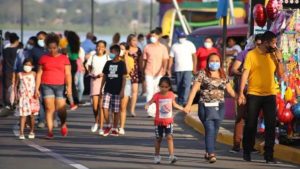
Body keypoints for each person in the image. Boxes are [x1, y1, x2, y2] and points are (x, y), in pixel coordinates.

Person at [238, 31, 284, 163]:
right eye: (273, 43)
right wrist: (241, 93)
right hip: (254, 94)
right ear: (265, 42)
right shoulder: (251, 55)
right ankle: (247, 150)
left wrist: (280, 59)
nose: (275, 45)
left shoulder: (274, 55)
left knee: (271, 125)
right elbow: (245, 74)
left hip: (270, 95)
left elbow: (280, 74)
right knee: (251, 124)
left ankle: (269, 155)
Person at [184, 53, 237, 163]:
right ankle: (211, 153)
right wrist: (188, 104)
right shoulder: (202, 74)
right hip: (205, 106)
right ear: (208, 62)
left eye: (217, 61)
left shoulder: (223, 74)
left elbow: (230, 90)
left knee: (215, 130)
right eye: (212, 61)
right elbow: (194, 89)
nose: (215, 63)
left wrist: (239, 97)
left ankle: (208, 151)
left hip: (220, 107)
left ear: (220, 62)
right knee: (210, 129)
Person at [35, 33, 72, 139]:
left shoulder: (64, 58)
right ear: (47, 47)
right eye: (50, 48)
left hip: (60, 86)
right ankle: (50, 131)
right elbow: (39, 73)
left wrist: (69, 87)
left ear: (58, 47)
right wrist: (36, 88)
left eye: (54, 48)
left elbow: (68, 74)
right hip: (46, 85)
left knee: (61, 109)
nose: (52, 50)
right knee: (48, 108)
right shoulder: (43, 58)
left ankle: (63, 123)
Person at [229, 34, 262, 153]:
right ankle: (236, 145)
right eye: (257, 44)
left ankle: (250, 145)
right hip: (243, 91)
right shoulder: (244, 54)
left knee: (253, 119)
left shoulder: (265, 55)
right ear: (253, 43)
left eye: (261, 44)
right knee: (241, 117)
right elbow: (234, 69)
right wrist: (244, 74)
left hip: (257, 91)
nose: (259, 46)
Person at [145, 77, 184, 164]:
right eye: (162, 86)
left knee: (169, 137)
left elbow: (174, 104)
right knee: (158, 138)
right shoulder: (157, 95)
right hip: (158, 121)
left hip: (168, 121)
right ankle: (157, 155)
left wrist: (182, 108)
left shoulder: (171, 95)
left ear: (169, 87)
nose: (164, 88)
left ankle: (171, 156)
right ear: (159, 86)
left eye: (166, 87)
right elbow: (150, 102)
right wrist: (147, 105)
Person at [100, 44, 127, 137]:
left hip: (117, 90)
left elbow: (124, 78)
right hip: (108, 89)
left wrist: (122, 90)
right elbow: (104, 76)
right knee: (104, 107)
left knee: (116, 110)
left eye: (114, 52)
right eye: (111, 51)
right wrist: (101, 88)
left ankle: (115, 128)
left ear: (118, 53)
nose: (112, 53)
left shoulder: (122, 64)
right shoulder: (108, 63)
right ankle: (108, 125)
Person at [85, 40, 110, 135]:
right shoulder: (92, 57)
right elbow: (88, 66)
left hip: (104, 82)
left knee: (101, 106)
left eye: (102, 46)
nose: (100, 48)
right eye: (98, 46)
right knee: (95, 106)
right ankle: (96, 121)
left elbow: (109, 69)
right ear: (96, 47)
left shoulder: (107, 58)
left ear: (105, 48)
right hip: (94, 81)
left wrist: (103, 74)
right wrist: (92, 73)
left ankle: (101, 126)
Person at [143, 29, 169, 117]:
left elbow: (165, 60)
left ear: (158, 36)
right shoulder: (147, 47)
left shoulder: (163, 47)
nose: (152, 38)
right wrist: (143, 71)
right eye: (151, 36)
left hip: (159, 73)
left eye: (154, 36)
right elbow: (144, 60)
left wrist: (164, 70)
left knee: (157, 91)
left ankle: (157, 110)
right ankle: (150, 111)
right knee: (149, 91)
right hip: (149, 72)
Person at [168, 32, 197, 106]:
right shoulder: (174, 46)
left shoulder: (190, 44)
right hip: (178, 69)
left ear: (185, 37)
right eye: (180, 37)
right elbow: (171, 58)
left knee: (187, 85)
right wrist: (169, 68)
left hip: (188, 68)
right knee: (179, 86)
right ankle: (180, 100)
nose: (182, 39)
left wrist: (194, 67)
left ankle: (184, 101)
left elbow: (194, 56)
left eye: (183, 37)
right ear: (178, 37)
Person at [14, 58, 38, 140]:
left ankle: (32, 131)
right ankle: (21, 132)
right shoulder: (19, 74)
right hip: (23, 97)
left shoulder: (34, 74)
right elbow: (16, 85)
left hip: (32, 97)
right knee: (22, 115)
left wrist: (37, 92)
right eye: (26, 64)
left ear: (32, 66)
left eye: (29, 65)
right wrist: (16, 96)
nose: (27, 66)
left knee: (31, 116)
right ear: (23, 65)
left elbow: (37, 84)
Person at [29, 31, 48, 128]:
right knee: (40, 99)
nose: (41, 40)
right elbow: (29, 62)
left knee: (49, 100)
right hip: (38, 77)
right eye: (39, 38)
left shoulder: (50, 49)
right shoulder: (33, 50)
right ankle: (41, 119)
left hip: (50, 77)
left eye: (42, 38)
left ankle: (53, 118)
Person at [119, 42, 134, 135]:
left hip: (126, 81)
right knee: (115, 107)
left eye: (123, 49)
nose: (121, 51)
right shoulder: (116, 58)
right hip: (116, 81)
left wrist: (124, 58)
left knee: (122, 107)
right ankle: (114, 125)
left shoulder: (130, 59)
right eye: (119, 49)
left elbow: (128, 71)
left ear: (127, 50)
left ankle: (121, 127)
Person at [127, 34, 143, 117]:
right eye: (133, 40)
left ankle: (132, 110)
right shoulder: (125, 49)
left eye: (136, 40)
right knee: (127, 92)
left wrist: (142, 72)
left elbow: (140, 63)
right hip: (126, 72)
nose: (135, 42)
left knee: (135, 92)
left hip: (136, 72)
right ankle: (127, 108)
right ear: (129, 41)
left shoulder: (139, 50)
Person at [3, 32, 19, 107]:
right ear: (17, 40)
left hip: (6, 70)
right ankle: (15, 101)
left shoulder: (5, 50)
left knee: (7, 87)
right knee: (16, 86)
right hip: (15, 71)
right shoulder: (18, 51)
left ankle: (7, 103)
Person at [66, 31, 80, 109]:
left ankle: (72, 99)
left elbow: (69, 56)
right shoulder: (77, 45)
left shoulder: (69, 46)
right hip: (75, 64)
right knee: (72, 83)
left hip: (69, 64)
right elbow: (75, 56)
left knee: (69, 82)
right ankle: (75, 98)